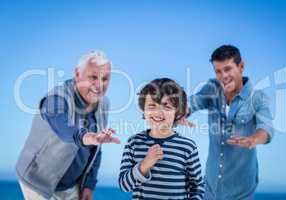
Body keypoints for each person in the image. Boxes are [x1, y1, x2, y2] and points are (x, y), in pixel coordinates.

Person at [16, 51, 120, 200]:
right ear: (78, 74)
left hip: (73, 186)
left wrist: (89, 184)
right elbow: (63, 127)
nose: (99, 85)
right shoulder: (56, 98)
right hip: (38, 182)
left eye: (105, 79)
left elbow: (97, 147)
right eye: (93, 77)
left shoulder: (104, 103)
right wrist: (86, 136)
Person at [181, 45, 274, 200]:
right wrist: (179, 113)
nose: (223, 76)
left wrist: (254, 139)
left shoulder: (257, 97)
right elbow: (192, 103)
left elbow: (266, 128)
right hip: (210, 187)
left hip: (241, 190)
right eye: (218, 71)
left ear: (241, 66)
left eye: (228, 69)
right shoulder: (212, 89)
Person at [118, 78, 205, 199]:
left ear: (177, 112)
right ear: (144, 110)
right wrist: (144, 165)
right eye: (152, 106)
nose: (158, 112)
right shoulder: (134, 143)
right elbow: (124, 186)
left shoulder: (188, 146)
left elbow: (198, 187)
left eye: (166, 107)